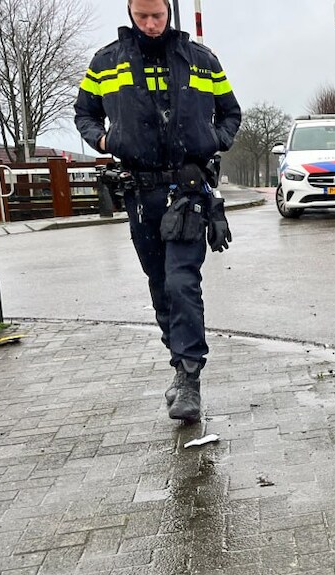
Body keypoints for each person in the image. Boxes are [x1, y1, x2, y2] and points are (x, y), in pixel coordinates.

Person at [75, 0, 241, 422]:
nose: (150, 25)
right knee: (160, 284)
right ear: (130, 11)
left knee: (182, 281)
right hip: (140, 191)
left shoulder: (202, 60)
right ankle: (178, 365)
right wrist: (104, 142)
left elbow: (231, 112)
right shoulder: (106, 62)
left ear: (169, 12)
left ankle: (189, 377)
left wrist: (213, 140)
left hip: (187, 189)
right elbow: (85, 112)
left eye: (158, 16)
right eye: (142, 16)